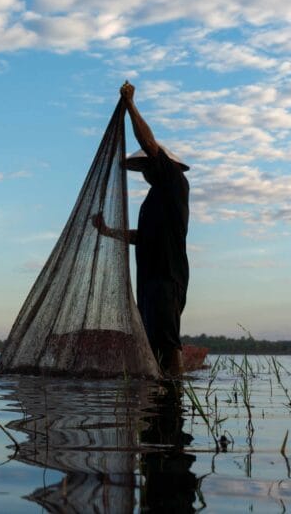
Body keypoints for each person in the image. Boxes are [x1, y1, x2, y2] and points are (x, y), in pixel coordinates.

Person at [94, 81, 190, 376]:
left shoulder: (173, 182)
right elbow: (142, 237)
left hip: (166, 279)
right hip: (149, 281)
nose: (146, 171)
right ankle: (161, 401)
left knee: (167, 342)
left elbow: (149, 144)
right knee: (154, 343)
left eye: (149, 165)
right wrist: (109, 231)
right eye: (144, 168)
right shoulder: (154, 198)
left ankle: (174, 397)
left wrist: (131, 105)